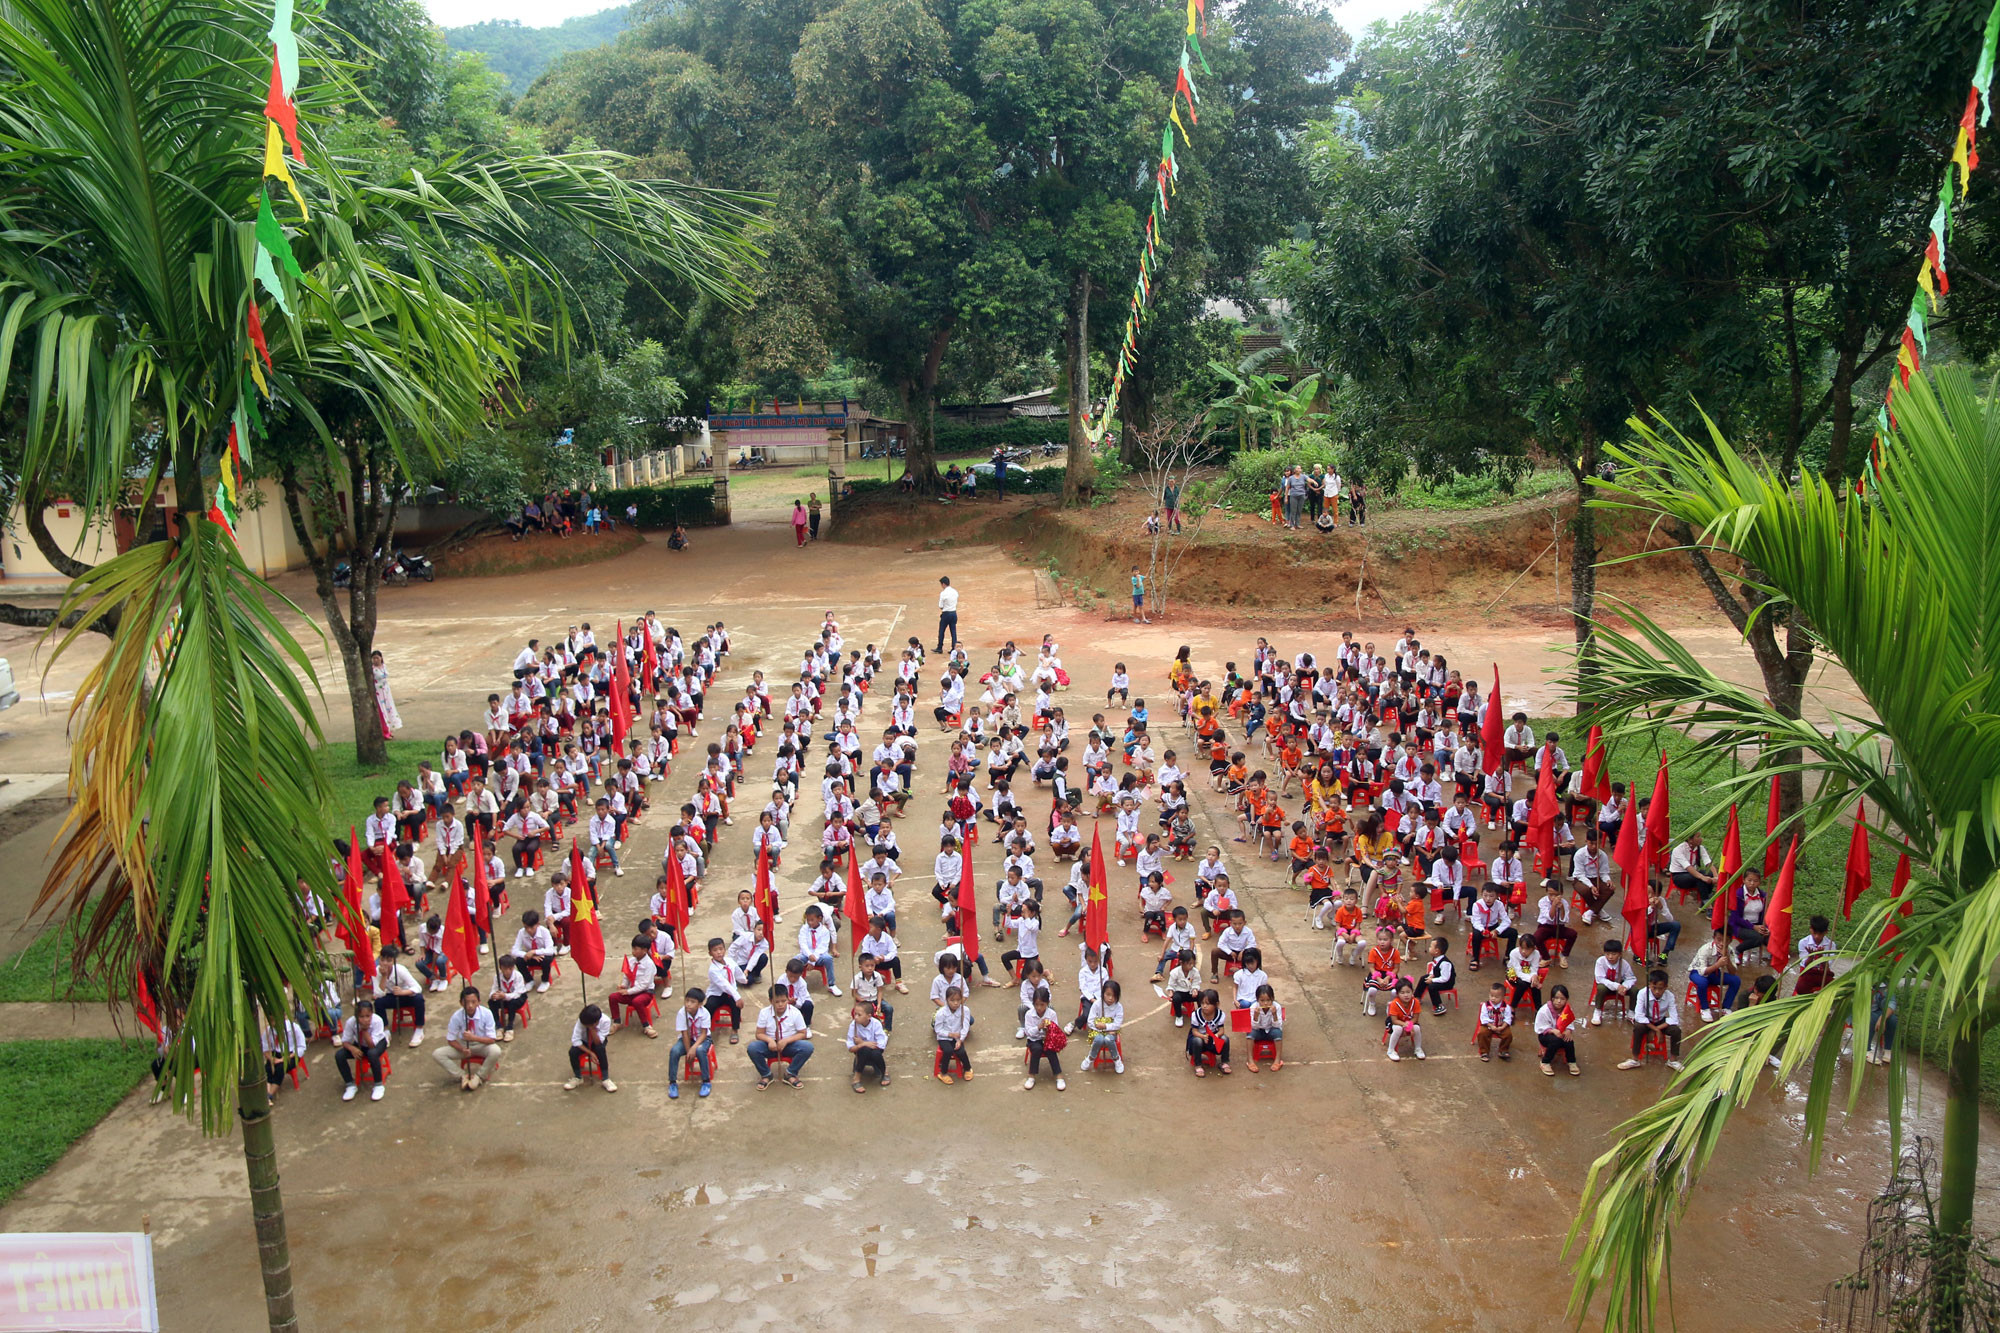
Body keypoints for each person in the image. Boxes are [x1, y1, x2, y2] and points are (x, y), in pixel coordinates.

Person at [436, 985, 504, 1092]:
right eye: (466, 1002)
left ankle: (479, 1076)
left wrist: (474, 1038)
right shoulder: (457, 1016)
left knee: (496, 1051)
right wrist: (462, 1049)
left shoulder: (486, 1014)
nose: (470, 1006)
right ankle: (463, 1076)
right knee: (438, 1054)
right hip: (464, 1046)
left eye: (473, 1002)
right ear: (461, 1003)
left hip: (482, 1045)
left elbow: (491, 1039)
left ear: (478, 1002)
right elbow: (451, 1039)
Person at [749, 984, 813, 1089]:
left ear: (788, 999)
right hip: (770, 1046)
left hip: (789, 1045)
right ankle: (766, 1074)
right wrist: (769, 1040)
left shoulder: (795, 1013)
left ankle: (790, 1073)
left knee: (807, 1047)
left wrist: (786, 1041)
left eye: (783, 1001)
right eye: (777, 1002)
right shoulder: (764, 1013)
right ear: (770, 1001)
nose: (780, 1005)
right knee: (753, 1048)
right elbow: (759, 1034)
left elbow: (803, 1033)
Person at [1619, 968, 1684, 1071]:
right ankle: (1635, 1059)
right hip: (1646, 1021)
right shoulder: (1642, 993)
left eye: (1660, 988)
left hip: (1660, 1021)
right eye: (1654, 988)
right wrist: (1655, 1029)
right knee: (1638, 1027)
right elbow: (1639, 1016)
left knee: (1676, 1031)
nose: (1657, 991)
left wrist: (1657, 1028)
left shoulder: (1670, 996)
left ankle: (1673, 1060)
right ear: (1649, 985)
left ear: (1666, 987)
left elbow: (1674, 1018)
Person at [335, 990, 388, 1101]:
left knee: (372, 1053)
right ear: (356, 1016)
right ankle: (350, 1084)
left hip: (376, 1043)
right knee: (339, 1055)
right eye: (361, 1016)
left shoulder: (377, 1021)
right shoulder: (351, 1022)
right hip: (359, 1043)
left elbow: (372, 1045)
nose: (365, 1019)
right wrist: (352, 1048)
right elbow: (345, 1041)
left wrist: (364, 1030)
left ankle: (378, 1085)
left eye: (367, 1016)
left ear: (372, 1014)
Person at [608, 934, 661, 1036]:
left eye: (636, 949)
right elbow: (627, 975)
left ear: (644, 950)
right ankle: (617, 1022)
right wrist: (624, 985)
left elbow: (644, 984)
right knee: (613, 997)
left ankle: (646, 1026)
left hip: (645, 993)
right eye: (632, 948)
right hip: (632, 990)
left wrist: (628, 991)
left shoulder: (649, 964)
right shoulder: (631, 961)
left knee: (637, 1001)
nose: (633, 951)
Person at [667, 988, 714, 1099]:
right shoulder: (682, 1013)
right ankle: (672, 1083)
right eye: (687, 1000)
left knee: (700, 1050)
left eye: (692, 1002)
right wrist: (689, 1051)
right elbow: (684, 1034)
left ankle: (706, 1081)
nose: (688, 1004)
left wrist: (693, 1048)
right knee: (674, 1051)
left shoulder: (705, 1013)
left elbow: (703, 1034)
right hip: (687, 1038)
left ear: (700, 1004)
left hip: (702, 1039)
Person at [1688, 927, 1740, 1020]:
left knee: (1736, 980)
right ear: (1714, 938)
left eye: (1725, 941)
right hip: (1697, 972)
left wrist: (1727, 958)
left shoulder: (1730, 950)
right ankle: (1704, 1009)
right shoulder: (1705, 949)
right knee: (1702, 982)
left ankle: (1726, 1007)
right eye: (1719, 940)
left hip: (1714, 973)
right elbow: (1703, 972)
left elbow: (1733, 972)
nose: (1721, 943)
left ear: (1730, 941)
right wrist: (1718, 965)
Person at [1021, 986, 1066, 1091]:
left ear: (1047, 1003)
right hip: (1034, 1039)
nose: (1039, 1008)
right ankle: (1031, 1076)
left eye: (1042, 1005)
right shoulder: (1029, 1014)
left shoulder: (1052, 1014)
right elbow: (1028, 1032)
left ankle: (1058, 1076)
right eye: (1036, 1005)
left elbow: (1056, 1030)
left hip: (1047, 1039)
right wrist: (1038, 1027)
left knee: (1050, 1050)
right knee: (1036, 1049)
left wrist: (1048, 1030)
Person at [565, 1003, 617, 1093]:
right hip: (584, 1042)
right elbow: (576, 1040)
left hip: (597, 1041)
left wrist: (592, 1029)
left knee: (600, 1049)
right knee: (572, 1052)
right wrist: (590, 1053)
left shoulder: (606, 1021)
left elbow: (598, 1042)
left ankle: (605, 1078)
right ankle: (578, 1077)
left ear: (596, 1022)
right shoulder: (581, 1021)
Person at [1535, 983, 1582, 1076]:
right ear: (1552, 998)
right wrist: (1552, 1030)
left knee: (1569, 1041)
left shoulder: (1567, 1010)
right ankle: (1545, 1062)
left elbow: (1570, 1022)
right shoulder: (1544, 1010)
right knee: (1555, 1041)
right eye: (1556, 998)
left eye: (1562, 999)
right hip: (1546, 1035)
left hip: (1562, 1033)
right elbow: (1540, 1027)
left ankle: (1571, 1061)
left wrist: (1568, 1030)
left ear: (1566, 999)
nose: (1559, 1001)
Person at [1082, 979, 1126, 1073]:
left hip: (1111, 1031)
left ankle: (1116, 1059)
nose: (1110, 998)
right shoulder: (1097, 1004)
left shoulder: (1119, 1007)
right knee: (1099, 1039)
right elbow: (1090, 1021)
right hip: (1097, 1031)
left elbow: (1117, 1024)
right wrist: (1099, 1028)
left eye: (1114, 996)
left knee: (1108, 1039)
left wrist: (1106, 1026)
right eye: (1108, 994)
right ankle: (1090, 1058)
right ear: (1103, 994)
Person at [1590, 938, 1637, 1025]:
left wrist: (1624, 987)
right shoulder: (1600, 961)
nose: (1610, 957)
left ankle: (1631, 1012)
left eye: (1614, 954)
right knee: (1600, 988)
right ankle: (1597, 1011)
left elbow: (1631, 978)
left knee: (1635, 990)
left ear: (1620, 954)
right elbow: (1600, 978)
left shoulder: (1624, 964)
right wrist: (1616, 986)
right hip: (1607, 985)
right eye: (1607, 954)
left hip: (1621, 986)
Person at [848, 998, 891, 1091]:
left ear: (868, 1016)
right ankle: (857, 1077)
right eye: (855, 1014)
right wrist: (862, 1045)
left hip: (876, 1049)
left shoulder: (876, 1024)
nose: (855, 1017)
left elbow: (881, 1043)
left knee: (875, 1053)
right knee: (864, 1050)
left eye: (859, 1015)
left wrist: (863, 1042)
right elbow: (850, 1048)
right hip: (861, 1050)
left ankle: (884, 1072)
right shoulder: (853, 1025)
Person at [1187, 987, 1230, 1076]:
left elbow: (1222, 1030)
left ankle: (1224, 1062)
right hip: (1200, 1037)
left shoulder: (1220, 1015)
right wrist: (1202, 1036)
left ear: (1216, 1004)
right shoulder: (1196, 1015)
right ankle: (1198, 1065)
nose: (1204, 1006)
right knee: (1197, 1040)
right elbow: (1194, 1031)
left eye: (1208, 1004)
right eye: (1202, 1003)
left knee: (1225, 1039)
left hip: (1213, 1038)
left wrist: (1216, 1036)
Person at [933, 986, 972, 1083]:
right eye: (952, 1000)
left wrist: (960, 1039)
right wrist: (950, 1034)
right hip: (944, 1037)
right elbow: (938, 1029)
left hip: (958, 1036)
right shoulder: (941, 1013)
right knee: (948, 1050)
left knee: (961, 1051)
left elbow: (965, 1026)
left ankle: (968, 1068)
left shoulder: (965, 1010)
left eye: (958, 1000)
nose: (955, 1003)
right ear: (946, 1000)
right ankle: (943, 1073)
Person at [1667, 832, 1717, 904]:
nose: (1701, 839)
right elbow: (1688, 867)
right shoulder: (1678, 850)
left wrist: (1716, 876)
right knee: (1700, 879)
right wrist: (1702, 877)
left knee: (1708, 874)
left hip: (1692, 874)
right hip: (1679, 876)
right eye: (1698, 837)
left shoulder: (1700, 848)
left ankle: (1705, 900)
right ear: (1690, 840)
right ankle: (1707, 904)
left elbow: (1708, 862)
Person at [1384, 977, 1424, 1060]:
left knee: (1417, 1028)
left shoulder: (1415, 1002)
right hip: (1396, 1023)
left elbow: (1415, 1018)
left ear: (1412, 991)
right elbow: (1394, 1020)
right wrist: (1404, 1025)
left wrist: (1410, 1025)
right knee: (1398, 1029)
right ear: (1397, 994)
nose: (1406, 995)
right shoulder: (1395, 1003)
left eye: (1408, 992)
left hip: (1409, 1022)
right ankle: (1391, 1050)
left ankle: (1418, 1048)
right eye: (1402, 992)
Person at [1246, 983, 1284, 1072]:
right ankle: (1250, 1061)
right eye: (1262, 1000)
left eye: (1268, 1000)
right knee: (1250, 1032)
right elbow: (1254, 1027)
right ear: (1257, 1000)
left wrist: (1274, 1015)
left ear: (1272, 999)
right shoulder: (1254, 1007)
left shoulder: (1277, 1007)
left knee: (1278, 1032)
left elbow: (1278, 1025)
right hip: (1259, 1031)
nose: (1265, 1003)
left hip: (1271, 1030)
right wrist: (1256, 1016)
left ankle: (1277, 1060)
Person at [1475, 983, 1513, 1062]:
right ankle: (1484, 1052)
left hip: (1501, 1025)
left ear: (1503, 997)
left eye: (1496, 997)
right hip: (1488, 1025)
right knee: (1482, 1033)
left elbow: (1508, 1018)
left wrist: (1502, 1027)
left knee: (1508, 1035)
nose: (1493, 998)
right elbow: (1483, 1018)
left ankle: (1503, 1050)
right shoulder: (1485, 1006)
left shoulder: (1506, 1007)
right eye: (1491, 996)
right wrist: (1491, 1026)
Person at [371, 649, 402, 738]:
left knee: (389, 710)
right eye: (374, 658)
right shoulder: (373, 669)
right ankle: (384, 732)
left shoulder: (384, 666)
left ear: (381, 658)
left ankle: (389, 730)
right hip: (379, 693)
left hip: (386, 692)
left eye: (377, 658)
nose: (376, 660)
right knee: (382, 712)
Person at [936, 576, 960, 652]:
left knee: (941, 630)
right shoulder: (955, 591)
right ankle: (954, 647)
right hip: (953, 613)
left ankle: (940, 647)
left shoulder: (943, 593)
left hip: (946, 613)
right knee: (953, 631)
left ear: (943, 584)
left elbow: (940, 606)